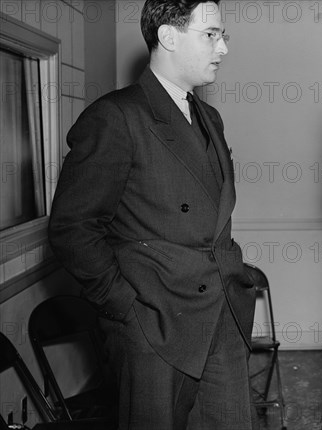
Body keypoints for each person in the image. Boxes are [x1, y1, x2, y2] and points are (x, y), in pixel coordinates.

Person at [48, 1, 257, 429]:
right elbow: (73, 229)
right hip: (156, 326)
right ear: (168, 36)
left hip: (222, 315)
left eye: (223, 35)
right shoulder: (115, 118)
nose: (223, 48)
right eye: (211, 34)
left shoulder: (209, 117)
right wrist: (127, 308)